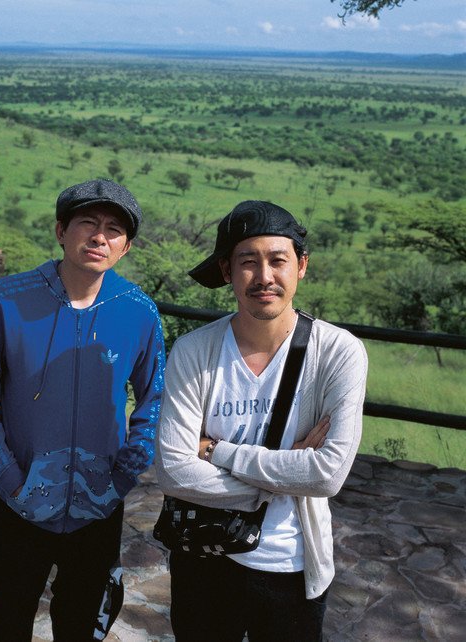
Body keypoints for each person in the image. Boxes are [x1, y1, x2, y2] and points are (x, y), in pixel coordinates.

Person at [0, 178, 166, 641]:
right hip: (19, 503)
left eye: (114, 229)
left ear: (126, 247)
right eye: (87, 222)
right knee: (4, 621)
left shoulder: (138, 311)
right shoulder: (8, 300)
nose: (99, 237)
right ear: (60, 231)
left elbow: (156, 400)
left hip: (98, 507)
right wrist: (11, 478)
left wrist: (120, 480)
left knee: (82, 623)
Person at [155, 200, 367, 642]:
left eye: (278, 260)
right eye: (248, 261)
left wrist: (217, 451)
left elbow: (327, 473)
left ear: (301, 266)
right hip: (202, 555)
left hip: (290, 563)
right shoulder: (195, 352)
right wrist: (285, 475)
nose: (264, 276)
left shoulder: (336, 352)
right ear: (227, 270)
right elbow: (174, 470)